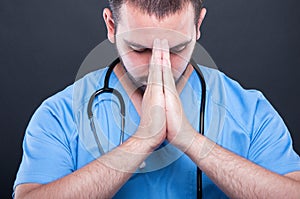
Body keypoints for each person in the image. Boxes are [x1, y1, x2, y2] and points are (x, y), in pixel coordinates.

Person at [14, 0, 300, 198]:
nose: (157, 65)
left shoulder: (249, 111)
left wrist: (189, 139)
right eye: (139, 49)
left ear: (198, 25)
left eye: (176, 49)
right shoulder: (59, 114)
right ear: (111, 25)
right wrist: (143, 140)